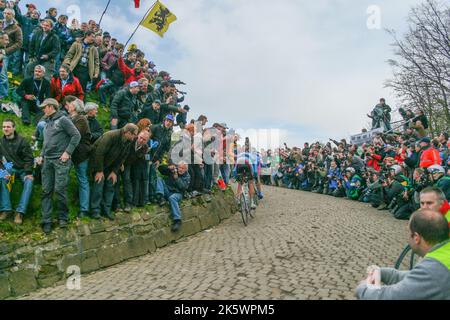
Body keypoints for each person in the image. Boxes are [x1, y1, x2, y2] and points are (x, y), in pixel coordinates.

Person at [356, 209, 450, 300]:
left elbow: (390, 296)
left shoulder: (433, 268)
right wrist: (382, 272)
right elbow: (414, 278)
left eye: (408, 232)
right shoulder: (443, 254)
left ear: (416, 238)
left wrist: (363, 288)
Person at [37, 98, 81, 234]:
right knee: (46, 191)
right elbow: (46, 143)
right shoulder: (46, 123)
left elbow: (76, 135)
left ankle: (63, 217)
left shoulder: (63, 120)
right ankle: (46, 220)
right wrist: (41, 155)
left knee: (60, 189)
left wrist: (68, 152)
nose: (43, 110)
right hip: (47, 161)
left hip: (61, 160)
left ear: (51, 107)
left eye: (44, 107)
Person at [89, 123, 138, 220]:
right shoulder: (110, 136)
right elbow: (99, 153)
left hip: (111, 165)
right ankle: (95, 211)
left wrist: (114, 171)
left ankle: (106, 210)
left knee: (111, 183)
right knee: (99, 184)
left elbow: (123, 158)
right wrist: (99, 170)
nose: (136, 136)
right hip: (97, 163)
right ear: (128, 132)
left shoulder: (128, 141)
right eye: (134, 134)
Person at [0, 119, 34, 225]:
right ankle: (6, 209)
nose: (6, 129)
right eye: (4, 127)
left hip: (23, 168)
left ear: (14, 128)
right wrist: (3, 170)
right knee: (1, 177)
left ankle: (20, 212)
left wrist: (28, 173)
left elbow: (29, 158)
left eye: (8, 127)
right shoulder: (0, 142)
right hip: (10, 167)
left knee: (29, 183)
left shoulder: (22, 141)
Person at [65, 97, 92, 218]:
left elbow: (75, 134)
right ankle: (67, 206)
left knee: (82, 180)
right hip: (70, 153)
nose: (68, 106)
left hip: (81, 154)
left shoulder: (81, 119)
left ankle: (84, 209)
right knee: (65, 179)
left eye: (70, 104)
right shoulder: (70, 118)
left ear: (74, 107)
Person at [155, 161, 190, 232]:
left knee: (172, 198)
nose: (181, 169)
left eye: (183, 168)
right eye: (180, 167)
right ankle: (160, 197)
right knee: (159, 179)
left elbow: (183, 187)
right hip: (168, 190)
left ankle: (177, 220)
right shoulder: (173, 170)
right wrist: (168, 168)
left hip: (178, 193)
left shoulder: (187, 176)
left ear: (186, 169)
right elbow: (160, 169)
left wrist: (177, 179)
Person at [0, 8, 22, 99]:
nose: (6, 15)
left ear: (13, 15)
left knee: (2, 74)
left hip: (5, 52)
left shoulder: (16, 28)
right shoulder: (1, 23)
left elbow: (19, 43)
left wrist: (6, 51)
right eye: (5, 13)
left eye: (8, 13)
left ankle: (3, 94)